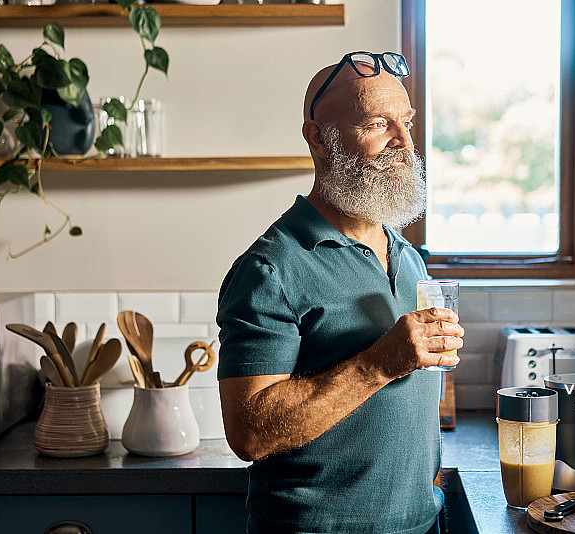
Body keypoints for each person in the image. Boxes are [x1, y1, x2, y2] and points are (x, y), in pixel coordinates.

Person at [217, 51, 465, 534]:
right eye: (377, 124)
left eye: (407, 123)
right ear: (319, 140)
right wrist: (379, 363)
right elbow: (249, 433)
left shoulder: (407, 254)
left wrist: (425, 485)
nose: (403, 143)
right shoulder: (270, 268)